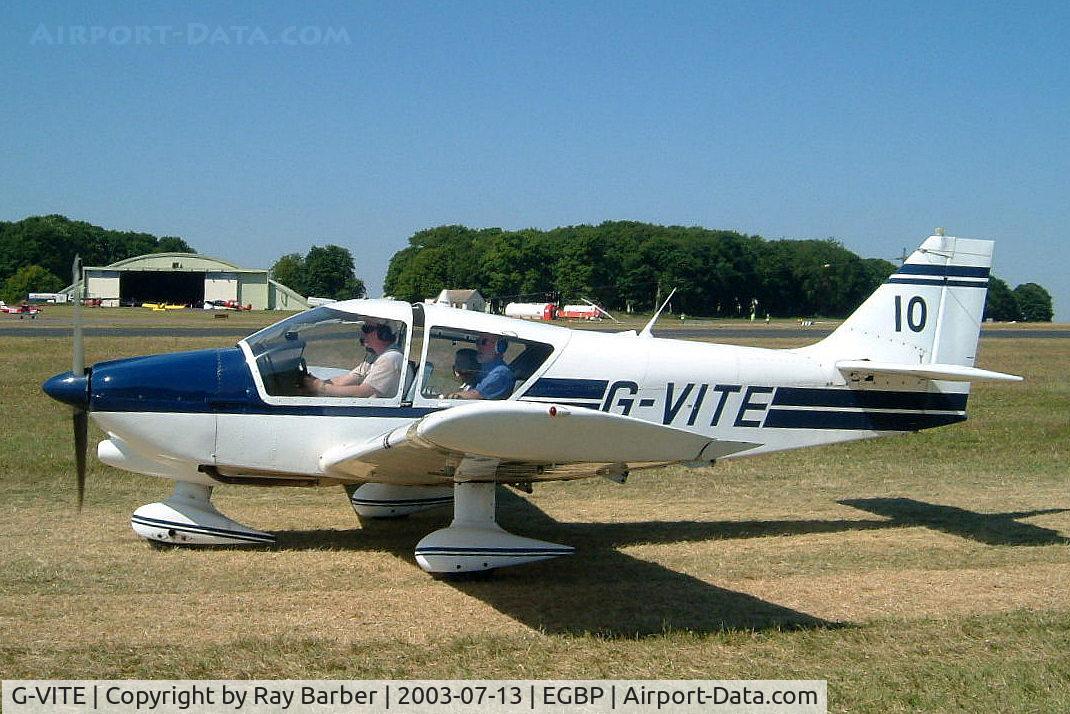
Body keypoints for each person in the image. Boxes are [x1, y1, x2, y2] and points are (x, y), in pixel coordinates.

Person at [303, 320, 404, 398]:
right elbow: (347, 380)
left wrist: (322, 388)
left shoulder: (390, 359)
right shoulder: (375, 357)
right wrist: (314, 382)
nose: (363, 333)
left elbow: (363, 392)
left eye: (367, 329)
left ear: (384, 334)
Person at [450, 334, 514, 400]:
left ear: (500, 347)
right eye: (477, 342)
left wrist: (446, 397)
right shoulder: (483, 370)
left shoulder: (501, 373)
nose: (478, 346)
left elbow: (475, 395)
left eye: (484, 342)